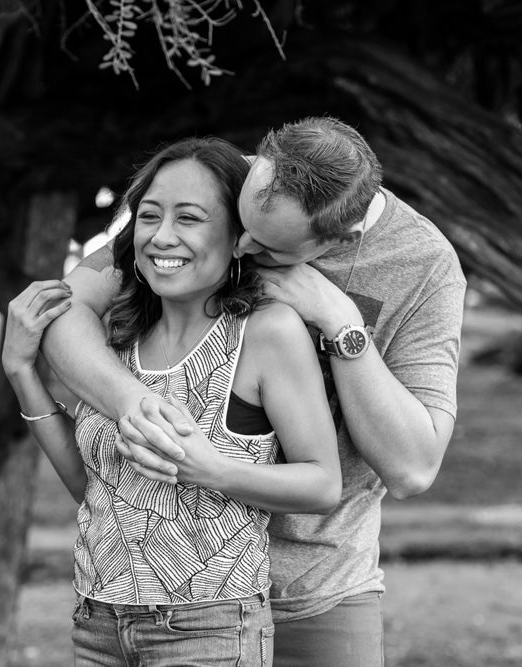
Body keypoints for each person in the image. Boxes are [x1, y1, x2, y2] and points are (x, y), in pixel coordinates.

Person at [41, 117, 467, 666]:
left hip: (314, 590)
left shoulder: (422, 266)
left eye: (264, 246)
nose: (239, 245)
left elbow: (413, 468)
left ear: (341, 240)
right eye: (240, 223)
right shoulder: (222, 185)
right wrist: (132, 403)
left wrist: (341, 324)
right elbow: (65, 309)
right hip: (172, 591)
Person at [2, 136, 341, 666]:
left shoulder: (265, 333)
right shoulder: (115, 337)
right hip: (98, 623)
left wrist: (210, 469)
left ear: (238, 239)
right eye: (149, 215)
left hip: (209, 627)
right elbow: (92, 490)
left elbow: (323, 483)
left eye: (189, 219)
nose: (161, 236)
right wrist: (22, 371)